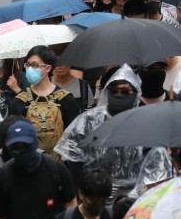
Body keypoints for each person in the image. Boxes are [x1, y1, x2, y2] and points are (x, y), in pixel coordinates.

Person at [54, 65, 146, 201]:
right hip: (93, 196)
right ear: (107, 91)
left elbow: (152, 165)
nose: (119, 94)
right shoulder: (89, 120)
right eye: (114, 89)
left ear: (135, 93)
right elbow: (73, 156)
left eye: (126, 90)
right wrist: (81, 193)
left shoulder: (144, 123)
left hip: (132, 199)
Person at [9, 46, 81, 158]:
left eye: (35, 65)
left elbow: (74, 137)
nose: (30, 69)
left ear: (48, 68)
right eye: (28, 65)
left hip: (59, 165)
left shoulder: (66, 99)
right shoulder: (20, 101)